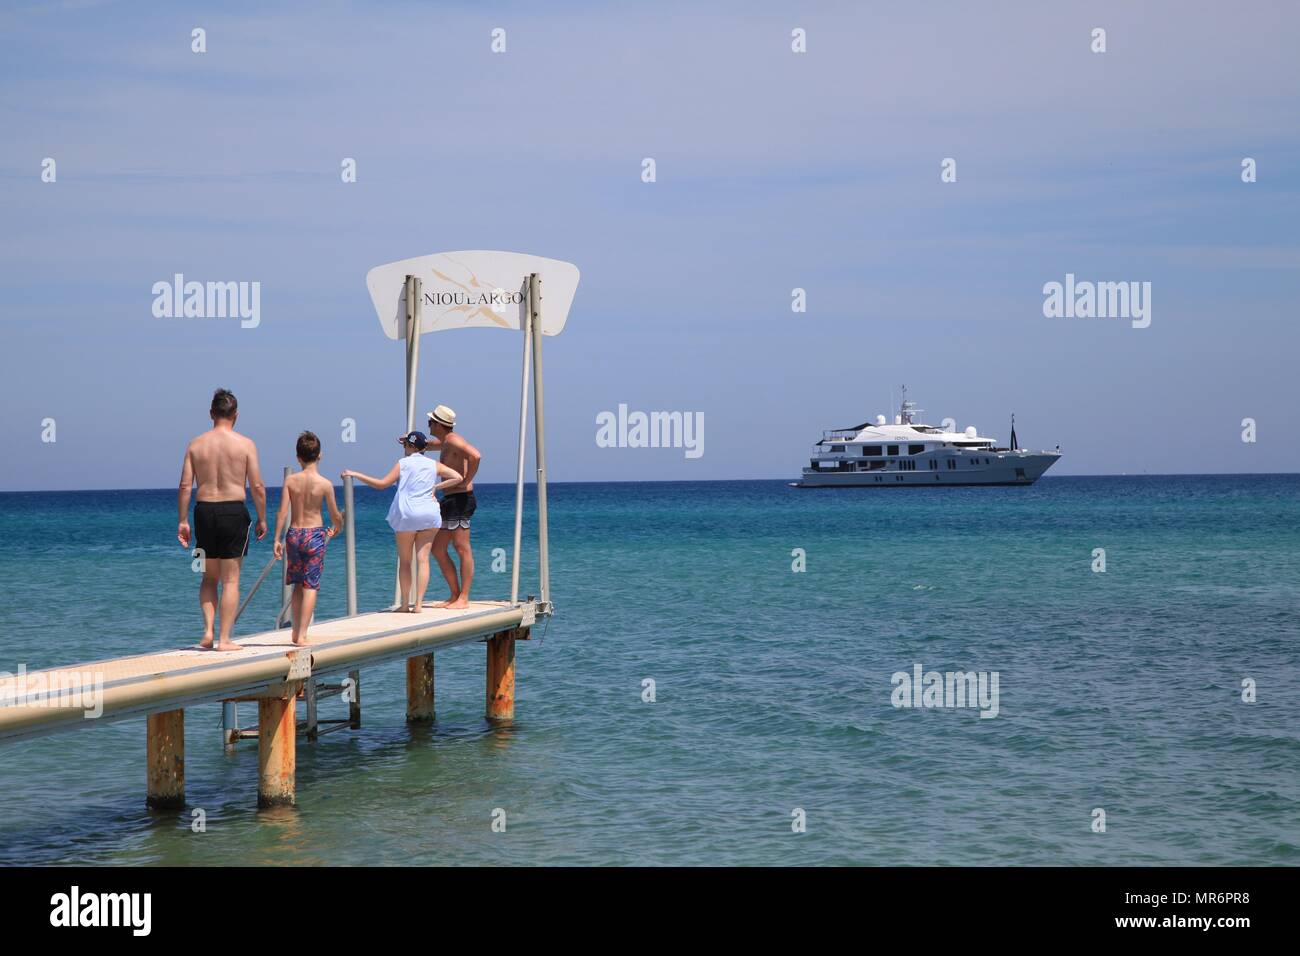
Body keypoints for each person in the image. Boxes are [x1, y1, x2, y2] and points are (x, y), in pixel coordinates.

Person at [177, 388, 268, 651]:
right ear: (236, 415)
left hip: (203, 513)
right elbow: (258, 486)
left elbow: (185, 486)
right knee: (231, 580)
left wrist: (183, 520)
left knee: (207, 578)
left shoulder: (195, 444)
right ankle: (224, 639)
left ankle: (207, 632)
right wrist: (262, 518)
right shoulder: (245, 444)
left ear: (211, 413)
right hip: (233, 512)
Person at [342, 431, 462, 612]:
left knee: (405, 562)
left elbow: (382, 484)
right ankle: (419, 604)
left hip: (407, 515)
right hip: (429, 514)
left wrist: (355, 474)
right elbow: (458, 477)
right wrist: (436, 486)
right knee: (423, 560)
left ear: (410, 446)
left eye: (405, 444)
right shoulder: (433, 464)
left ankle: (405, 604)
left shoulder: (403, 464)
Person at [272, 431, 344, 645]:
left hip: (294, 534)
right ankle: (302, 634)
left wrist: (277, 538)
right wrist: (337, 527)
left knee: (296, 585)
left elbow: (282, 512)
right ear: (319, 455)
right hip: (314, 534)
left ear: (298, 457)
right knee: (310, 585)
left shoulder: (291, 481)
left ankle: (294, 632)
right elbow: (334, 514)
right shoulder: (324, 484)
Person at [426, 405, 482, 609]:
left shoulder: (454, 440)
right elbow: (433, 445)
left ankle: (464, 598)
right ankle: (455, 595)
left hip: (461, 499)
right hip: (450, 501)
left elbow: (476, 455)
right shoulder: (446, 442)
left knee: (461, 547)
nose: (429, 425)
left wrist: (467, 479)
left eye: (431, 422)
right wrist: (413, 441)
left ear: (439, 425)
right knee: (438, 548)